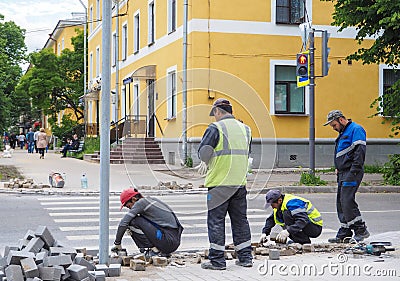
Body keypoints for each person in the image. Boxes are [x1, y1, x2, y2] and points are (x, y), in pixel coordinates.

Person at [198, 98, 253, 270]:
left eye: (214, 114)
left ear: (217, 111)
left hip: (219, 184)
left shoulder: (215, 128)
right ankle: (245, 258)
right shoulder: (246, 129)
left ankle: (218, 261)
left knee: (216, 222)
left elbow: (203, 154)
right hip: (239, 183)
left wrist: (205, 160)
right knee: (240, 221)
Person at [323, 110, 370, 243]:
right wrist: (339, 167)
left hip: (352, 172)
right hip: (344, 172)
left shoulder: (356, 129)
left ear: (341, 120)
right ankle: (345, 230)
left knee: (347, 201)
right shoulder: (344, 132)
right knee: (341, 202)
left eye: (334, 125)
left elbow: (359, 152)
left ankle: (361, 230)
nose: (334, 128)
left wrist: (354, 170)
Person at [111, 188, 183, 258]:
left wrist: (117, 243)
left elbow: (123, 223)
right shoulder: (150, 200)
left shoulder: (140, 203)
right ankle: (161, 251)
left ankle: (153, 251)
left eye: (129, 206)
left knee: (133, 222)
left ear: (133, 199)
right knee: (137, 220)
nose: (130, 209)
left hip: (168, 240)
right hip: (172, 240)